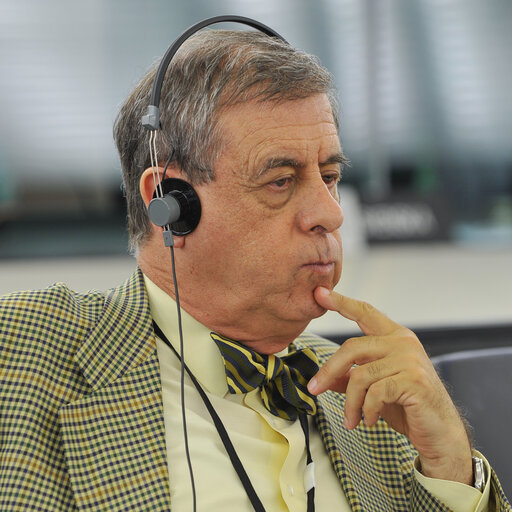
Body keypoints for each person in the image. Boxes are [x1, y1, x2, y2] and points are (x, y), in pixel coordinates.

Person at [0, 27, 510, 512]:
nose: (332, 214)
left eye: (329, 176)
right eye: (281, 181)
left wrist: (452, 467)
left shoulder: (367, 390)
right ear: (171, 204)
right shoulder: (26, 351)